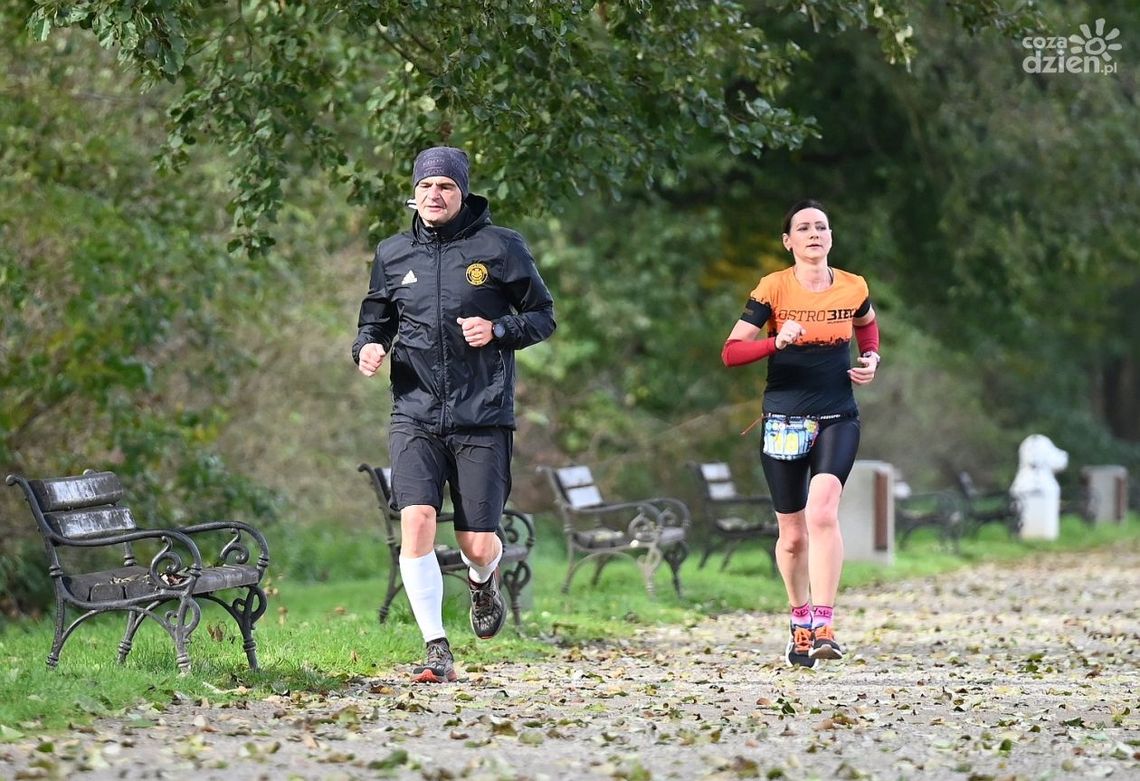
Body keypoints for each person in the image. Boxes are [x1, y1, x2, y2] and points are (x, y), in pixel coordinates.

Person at [352, 146, 556, 683]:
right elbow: (375, 321)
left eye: (444, 186)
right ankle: (436, 649)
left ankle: (483, 579)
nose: (434, 196)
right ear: (413, 194)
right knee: (415, 518)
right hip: (414, 411)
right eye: (425, 187)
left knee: (476, 542)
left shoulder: (500, 246)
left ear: (462, 192)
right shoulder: (393, 253)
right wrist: (368, 349)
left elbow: (543, 315)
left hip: (482, 413)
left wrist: (500, 330)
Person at [720, 199, 879, 668]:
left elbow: (867, 328)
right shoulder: (773, 288)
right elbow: (731, 353)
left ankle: (825, 625)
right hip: (784, 420)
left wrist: (870, 360)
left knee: (823, 511)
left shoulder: (853, 286)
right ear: (788, 241)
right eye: (803, 228)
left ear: (831, 237)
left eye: (822, 227)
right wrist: (775, 341)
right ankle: (800, 619)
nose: (814, 234)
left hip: (837, 415)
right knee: (792, 535)